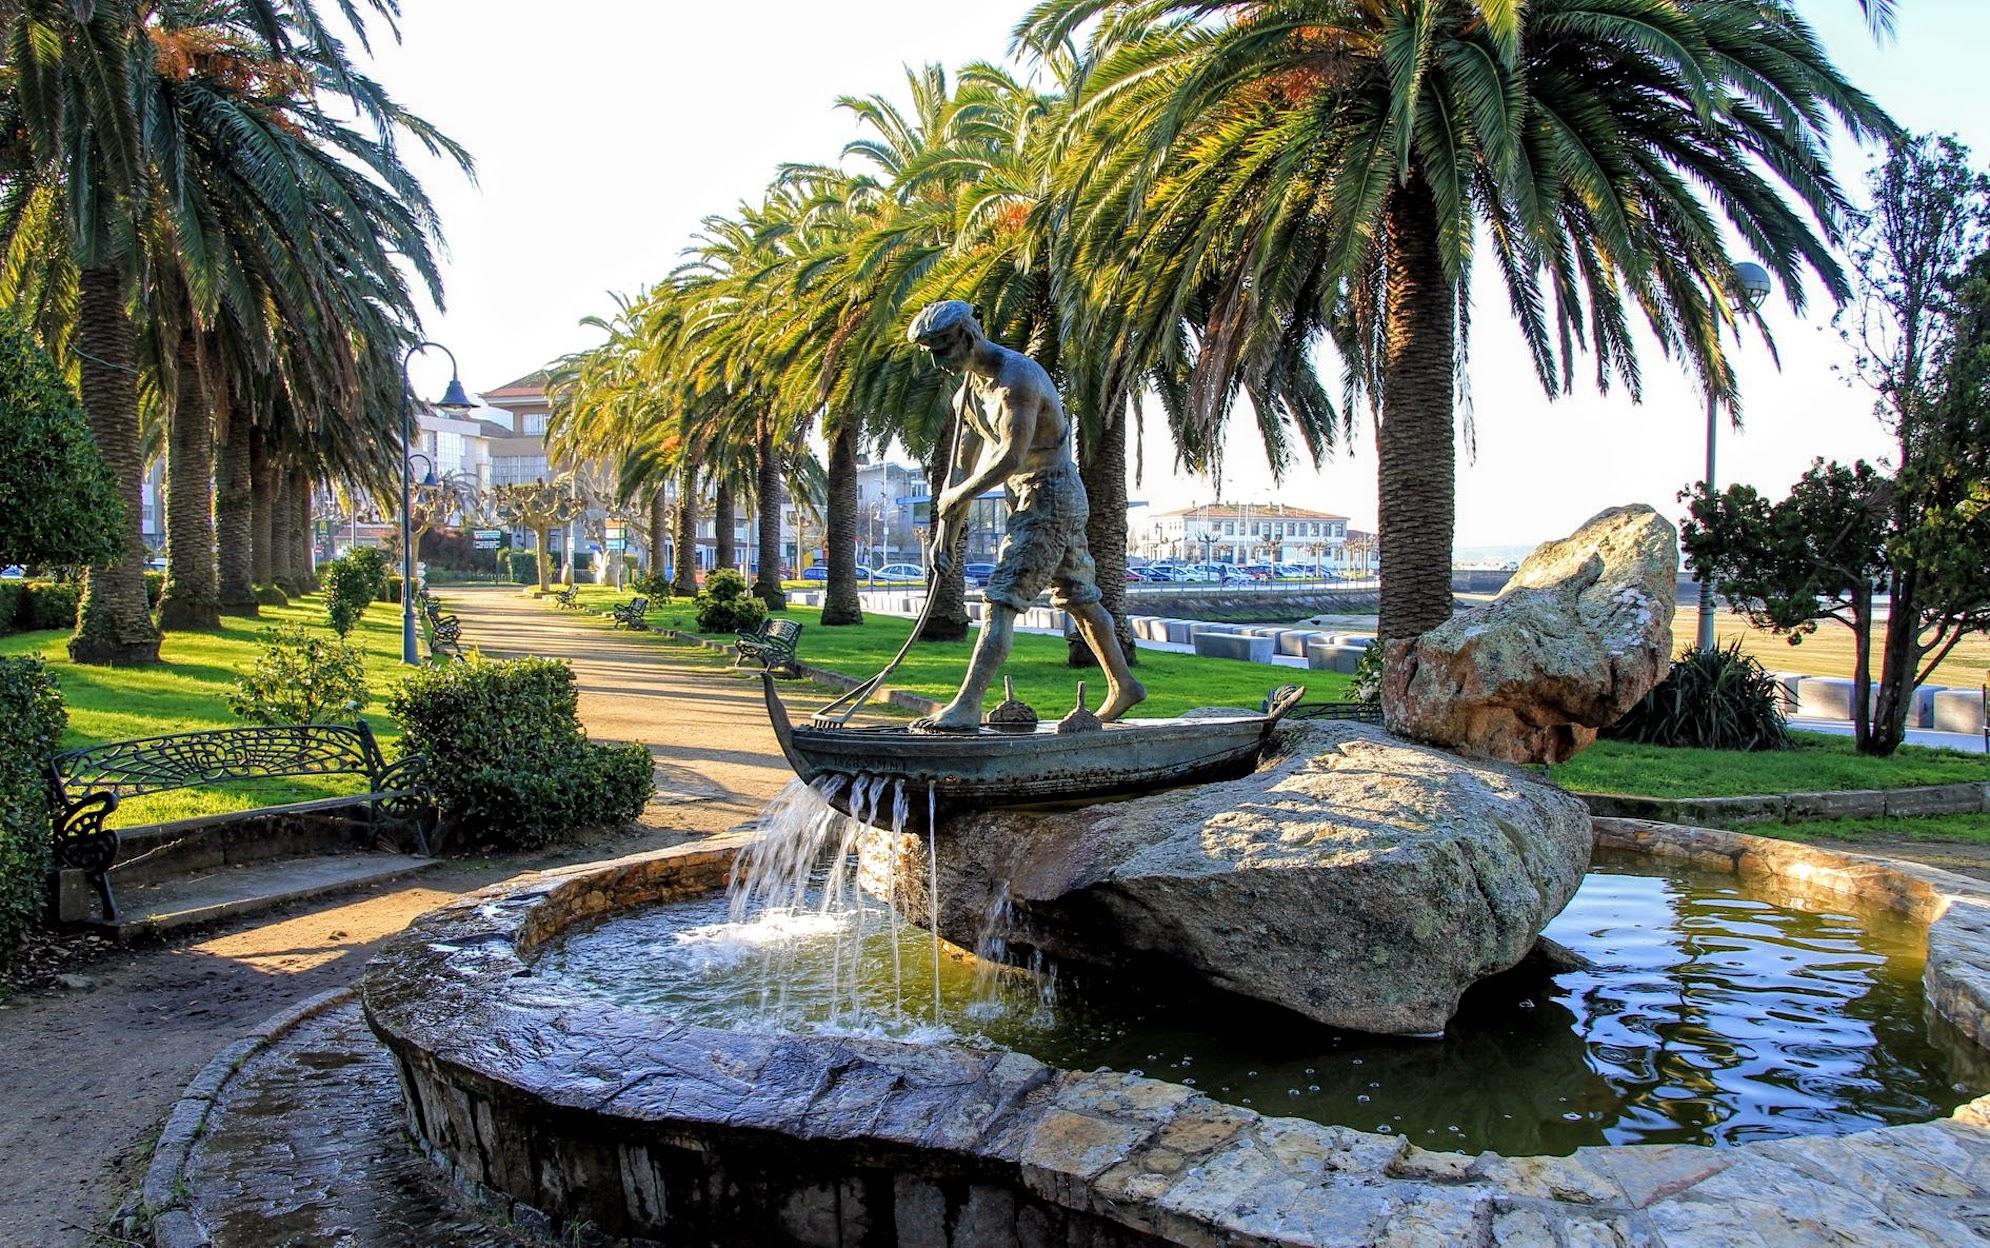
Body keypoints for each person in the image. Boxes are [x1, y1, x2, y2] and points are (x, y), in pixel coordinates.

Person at [907, 300, 1145, 731]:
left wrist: (958, 496)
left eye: (942, 348)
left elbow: (1012, 457)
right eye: (930, 352)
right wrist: (947, 533)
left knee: (1001, 600)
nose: (937, 362)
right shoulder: (969, 394)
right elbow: (959, 469)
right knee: (1081, 598)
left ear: (967, 336)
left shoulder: (1017, 379)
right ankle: (1124, 684)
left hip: (1049, 495)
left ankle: (967, 705)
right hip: (1028, 498)